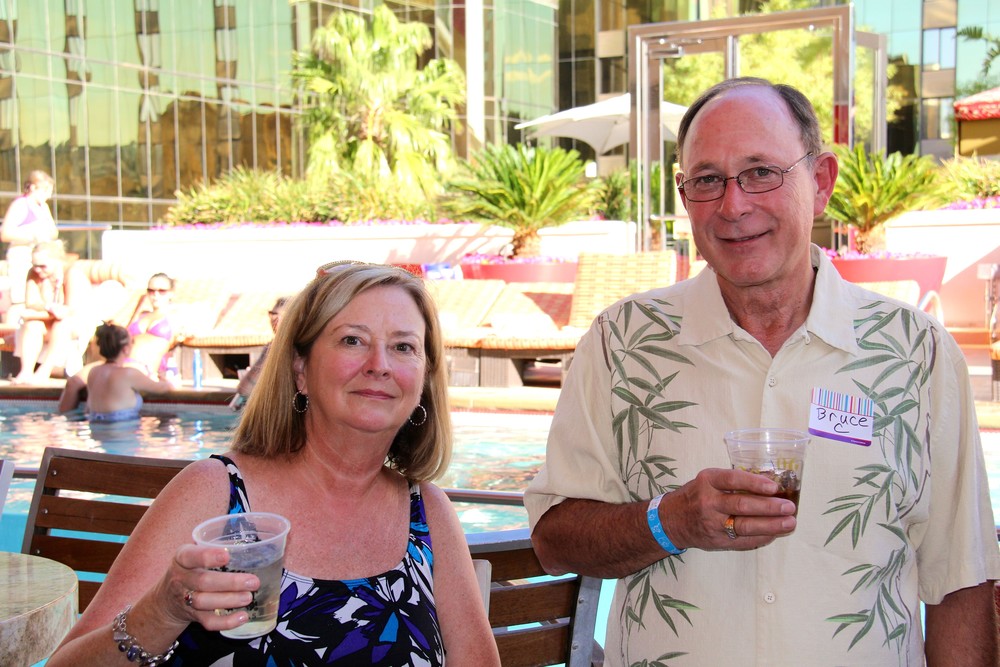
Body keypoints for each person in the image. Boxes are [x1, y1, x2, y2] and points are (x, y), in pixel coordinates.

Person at [525, 77, 999, 665]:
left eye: (760, 172)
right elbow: (555, 539)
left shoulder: (917, 354)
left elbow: (960, 578)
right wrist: (669, 521)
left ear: (820, 182)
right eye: (707, 180)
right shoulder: (620, 343)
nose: (733, 206)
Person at [46, 261, 500, 666]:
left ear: (423, 380)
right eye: (352, 340)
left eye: (403, 347)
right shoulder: (215, 492)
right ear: (301, 370)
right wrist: (162, 612)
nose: (379, 364)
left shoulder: (428, 514)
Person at [58, 322, 174, 421]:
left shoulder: (93, 372)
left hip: (96, 431)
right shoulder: (129, 374)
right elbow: (163, 388)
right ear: (126, 349)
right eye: (132, 342)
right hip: (121, 433)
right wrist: (167, 382)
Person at [12, 240, 91, 384]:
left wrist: (37, 312)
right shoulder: (33, 274)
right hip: (49, 320)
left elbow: (70, 310)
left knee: (62, 325)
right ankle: (26, 371)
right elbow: (31, 302)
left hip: (75, 323)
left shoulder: (72, 274)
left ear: (57, 261)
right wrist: (49, 308)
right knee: (32, 325)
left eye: (42, 266)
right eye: (34, 265)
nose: (38, 270)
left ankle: (44, 371)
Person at [1, 170, 57, 324]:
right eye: (45, 190)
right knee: (19, 299)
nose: (48, 196)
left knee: (38, 298)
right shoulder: (20, 205)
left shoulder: (43, 207)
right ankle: (12, 332)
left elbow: (53, 232)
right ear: (33, 187)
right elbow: (5, 233)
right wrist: (31, 235)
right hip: (21, 258)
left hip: (40, 257)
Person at [229, 296, 290, 410]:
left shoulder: (278, 347)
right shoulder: (278, 345)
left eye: (276, 315)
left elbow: (245, 389)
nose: (274, 319)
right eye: (272, 314)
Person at [126, 272, 184, 382]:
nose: (156, 295)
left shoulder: (175, 315)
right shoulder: (141, 314)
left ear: (171, 293)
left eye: (162, 291)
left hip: (155, 372)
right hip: (130, 368)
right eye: (151, 291)